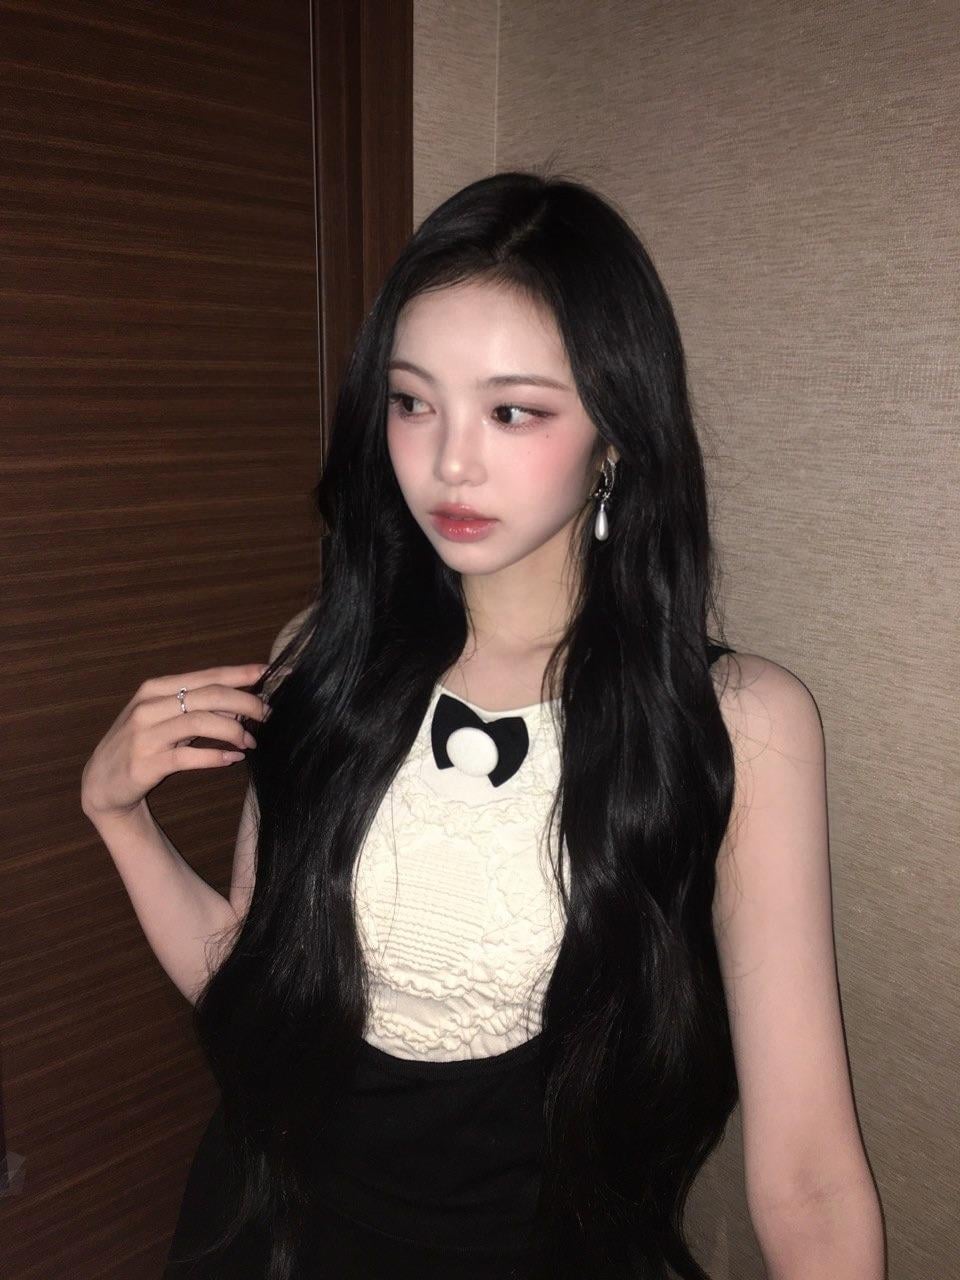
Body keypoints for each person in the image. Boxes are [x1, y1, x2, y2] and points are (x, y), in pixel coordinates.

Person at [80, 170, 884, 1280]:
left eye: (513, 411)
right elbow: (259, 992)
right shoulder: (324, 652)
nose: (449, 461)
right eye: (414, 402)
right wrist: (119, 818)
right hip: (272, 1236)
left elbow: (808, 1176)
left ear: (616, 434)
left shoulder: (740, 722)